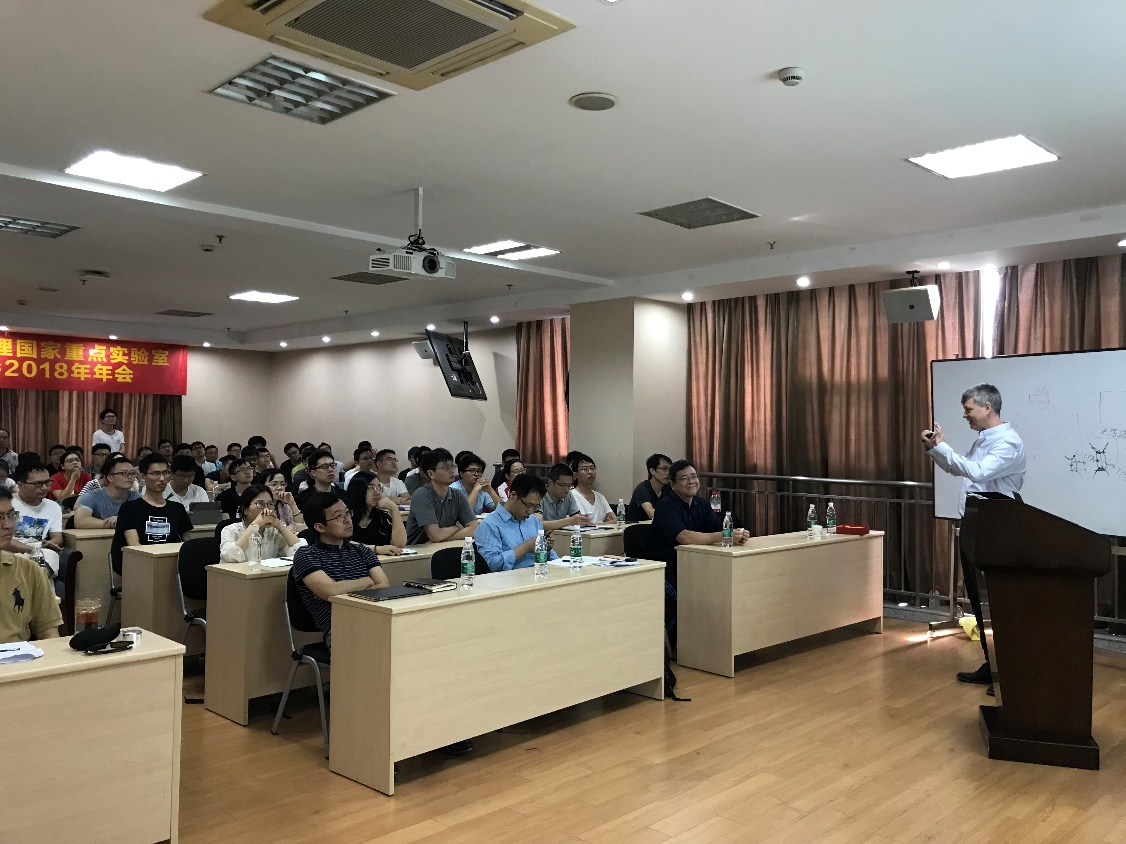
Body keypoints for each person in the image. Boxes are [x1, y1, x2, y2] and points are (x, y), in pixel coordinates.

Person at [923, 383, 1026, 692]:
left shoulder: (1008, 442)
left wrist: (943, 448)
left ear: (987, 407)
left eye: (968, 409)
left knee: (999, 603)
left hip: (998, 525)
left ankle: (1011, 673)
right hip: (977, 524)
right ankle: (992, 664)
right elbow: (962, 470)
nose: (965, 415)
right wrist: (936, 448)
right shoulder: (984, 439)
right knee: (981, 602)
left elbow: (978, 472)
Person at [290, 491, 389, 649]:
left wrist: (340, 589)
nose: (348, 520)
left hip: (375, 619)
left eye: (347, 513)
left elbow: (384, 587)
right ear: (319, 526)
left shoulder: (362, 551)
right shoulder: (306, 555)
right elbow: (331, 591)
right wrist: (367, 581)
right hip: (339, 629)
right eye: (338, 517)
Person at [653, 460, 750, 580]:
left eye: (694, 476)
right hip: (668, 567)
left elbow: (719, 529)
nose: (691, 482)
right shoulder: (665, 506)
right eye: (684, 478)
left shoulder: (702, 504)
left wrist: (737, 535)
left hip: (697, 562)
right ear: (673, 484)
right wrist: (725, 535)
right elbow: (683, 537)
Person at [0, 488, 61, 642]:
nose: (8, 525)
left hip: (17, 655)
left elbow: (48, 633)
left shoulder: (28, 570)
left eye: (11, 515)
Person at [112, 453, 194, 569]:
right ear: (143, 477)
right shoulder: (129, 508)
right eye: (156, 474)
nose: (162, 479)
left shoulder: (177, 508)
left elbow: (188, 544)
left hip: (171, 565)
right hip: (141, 565)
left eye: (165, 473)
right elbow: (134, 546)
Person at [477, 473, 559, 571]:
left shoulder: (533, 521)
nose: (530, 511)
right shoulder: (490, 524)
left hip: (538, 574)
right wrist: (525, 548)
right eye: (528, 505)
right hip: (509, 578)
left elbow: (553, 561)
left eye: (535, 507)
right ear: (513, 495)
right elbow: (492, 566)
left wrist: (547, 549)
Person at [405, 448, 478, 544]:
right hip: (417, 549)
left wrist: (445, 537)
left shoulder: (458, 495)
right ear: (431, 474)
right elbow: (435, 535)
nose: (452, 471)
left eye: (452, 466)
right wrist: (457, 527)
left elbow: (475, 529)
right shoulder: (422, 495)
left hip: (442, 545)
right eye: (445, 467)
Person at [10, 462, 65, 588]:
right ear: (20, 485)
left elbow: (57, 537)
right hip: (12, 551)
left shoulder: (53, 507)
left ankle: (39, 590)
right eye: (38, 484)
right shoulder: (8, 503)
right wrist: (32, 549)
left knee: (50, 555)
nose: (44, 488)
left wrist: (51, 543)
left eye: (47, 482)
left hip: (38, 551)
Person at [219, 484, 303, 563]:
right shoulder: (231, 530)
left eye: (270, 504)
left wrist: (279, 525)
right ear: (245, 510)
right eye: (260, 504)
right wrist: (255, 525)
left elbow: (302, 552)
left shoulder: (273, 532)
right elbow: (230, 557)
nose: (267, 510)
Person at [345, 472, 406, 555]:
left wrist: (394, 509)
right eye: (371, 488)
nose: (377, 492)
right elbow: (343, 544)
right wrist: (376, 549)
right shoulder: (346, 517)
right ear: (359, 490)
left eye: (379, 487)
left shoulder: (382, 517)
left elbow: (399, 544)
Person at [73, 455, 140, 529]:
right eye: (123, 473)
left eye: (132, 473)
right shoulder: (92, 496)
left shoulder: (136, 497)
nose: (130, 477)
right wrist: (110, 523)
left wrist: (122, 521)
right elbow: (80, 521)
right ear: (110, 478)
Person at [536, 463, 589, 531]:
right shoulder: (539, 495)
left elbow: (577, 518)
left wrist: (583, 520)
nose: (566, 489)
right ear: (550, 482)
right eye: (563, 485)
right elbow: (537, 524)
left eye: (569, 485)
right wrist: (568, 521)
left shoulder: (568, 495)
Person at [569, 454, 616, 524]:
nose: (590, 472)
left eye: (592, 468)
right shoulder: (572, 496)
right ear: (576, 475)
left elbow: (614, 520)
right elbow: (584, 523)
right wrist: (605, 523)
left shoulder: (600, 496)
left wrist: (594, 524)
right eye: (585, 469)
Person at [628, 453, 672, 521]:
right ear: (652, 471)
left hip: (659, 525)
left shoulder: (668, 488)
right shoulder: (642, 488)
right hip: (638, 526)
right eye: (664, 469)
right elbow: (651, 513)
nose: (668, 473)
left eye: (670, 469)